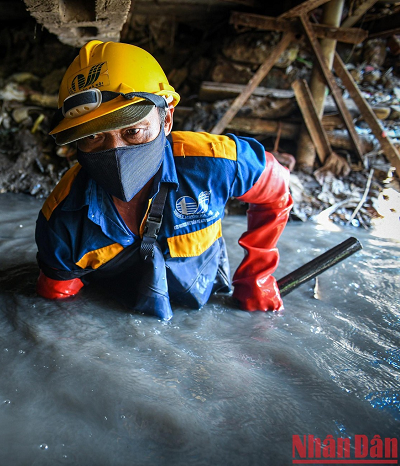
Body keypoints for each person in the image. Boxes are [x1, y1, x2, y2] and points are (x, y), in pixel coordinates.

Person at [34, 40, 293, 321]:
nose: (115, 152)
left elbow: (277, 190)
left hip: (203, 293)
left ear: (166, 119)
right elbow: (57, 305)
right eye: (93, 137)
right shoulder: (62, 220)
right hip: (120, 308)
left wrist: (258, 275)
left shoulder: (217, 163)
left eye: (133, 131)